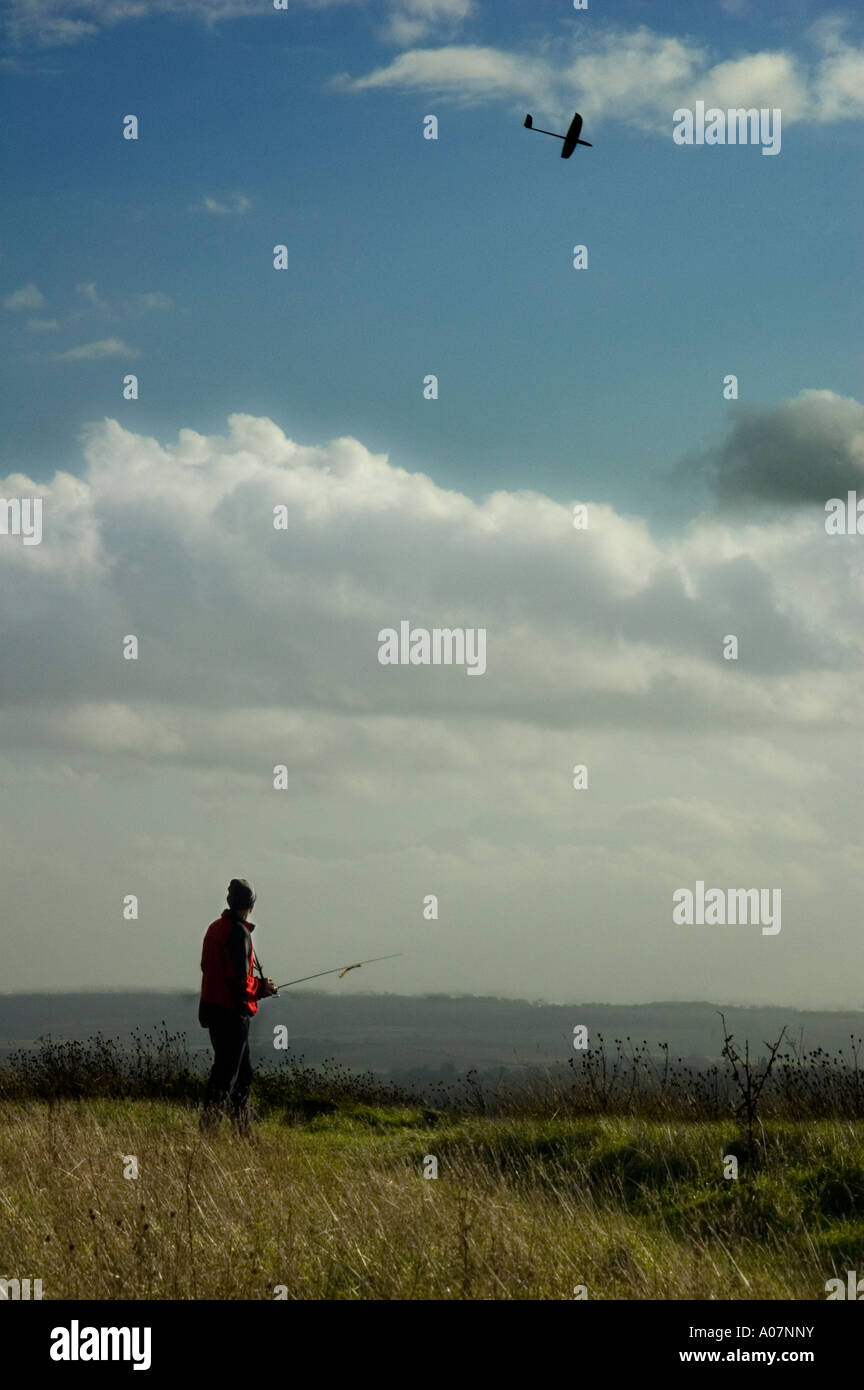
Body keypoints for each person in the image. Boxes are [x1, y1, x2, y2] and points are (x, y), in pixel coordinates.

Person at [198, 878, 276, 1134]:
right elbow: (239, 981)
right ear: (250, 905)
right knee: (226, 1075)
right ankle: (208, 1132)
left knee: (241, 1075)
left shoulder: (214, 928)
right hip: (231, 1014)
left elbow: (207, 967)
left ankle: (244, 1133)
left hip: (212, 1009)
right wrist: (262, 988)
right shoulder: (238, 932)